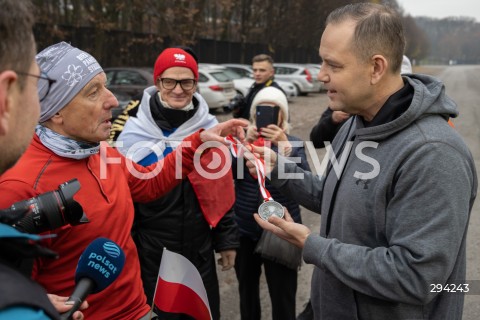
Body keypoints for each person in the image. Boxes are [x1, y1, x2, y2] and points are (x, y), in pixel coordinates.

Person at [250, 3, 477, 320]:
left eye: (333, 65)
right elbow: (334, 196)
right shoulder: (357, 124)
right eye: (322, 61)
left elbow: (418, 278)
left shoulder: (433, 152)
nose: (321, 75)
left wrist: (311, 244)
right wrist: (280, 169)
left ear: (376, 68)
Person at [0, 41, 247, 320]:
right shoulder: (18, 186)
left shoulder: (101, 151)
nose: (113, 100)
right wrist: (27, 304)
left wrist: (195, 143)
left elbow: (148, 184)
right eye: (94, 92)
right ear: (56, 111)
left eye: (106, 86)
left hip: (140, 311)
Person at [109, 47, 239, 320]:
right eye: (170, 81)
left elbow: (221, 190)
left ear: (195, 83)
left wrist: (227, 240)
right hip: (150, 253)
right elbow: (123, 198)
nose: (178, 89)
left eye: (186, 81)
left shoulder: (209, 127)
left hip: (199, 250)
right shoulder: (131, 130)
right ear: (157, 83)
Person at [0, 2, 86, 320]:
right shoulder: (18, 185)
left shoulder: (107, 153)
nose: (40, 110)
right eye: (37, 86)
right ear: (5, 99)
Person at [233, 86, 310, 320]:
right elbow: (232, 177)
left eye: (273, 111)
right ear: (254, 113)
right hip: (246, 229)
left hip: (283, 229)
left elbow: (305, 183)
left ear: (283, 115)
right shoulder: (245, 142)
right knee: (247, 292)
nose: (265, 116)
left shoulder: (293, 143)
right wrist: (243, 145)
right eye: (260, 110)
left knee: (283, 295)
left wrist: (285, 146)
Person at [309, 55, 412, 149]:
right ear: (375, 73)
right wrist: (332, 120)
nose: (321, 77)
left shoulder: (412, 125)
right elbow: (316, 141)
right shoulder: (346, 102)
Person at [232, 54, 284, 120]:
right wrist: (237, 111)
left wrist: (249, 125)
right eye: (255, 70)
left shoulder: (274, 92)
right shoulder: (255, 86)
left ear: (271, 72)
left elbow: (270, 124)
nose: (257, 74)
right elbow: (246, 114)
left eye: (262, 70)